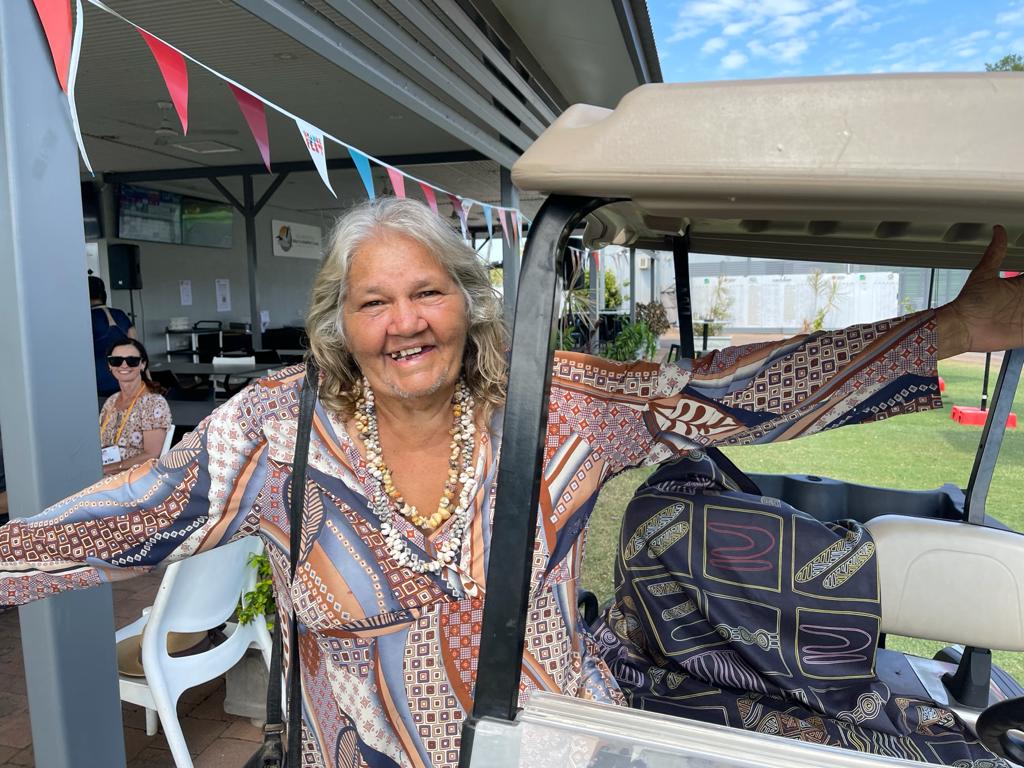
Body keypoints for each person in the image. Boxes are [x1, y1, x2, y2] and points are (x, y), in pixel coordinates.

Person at [0, 198, 1020, 768]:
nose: (404, 323)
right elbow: (124, 519)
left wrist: (951, 330)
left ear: (469, 300)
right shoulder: (276, 430)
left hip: (551, 749)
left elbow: (729, 393)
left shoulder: (559, 404)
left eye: (426, 291)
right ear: (339, 323)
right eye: (373, 303)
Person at [98, 338, 171, 476]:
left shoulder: (153, 403)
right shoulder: (111, 401)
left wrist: (108, 469)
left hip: (133, 479)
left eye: (132, 360)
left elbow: (152, 455)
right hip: (103, 475)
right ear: (110, 365)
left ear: (142, 364)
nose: (124, 365)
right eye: (116, 360)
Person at [90, 274, 137, 396]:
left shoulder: (87, 319)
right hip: (125, 380)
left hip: (99, 383)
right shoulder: (120, 314)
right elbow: (137, 349)